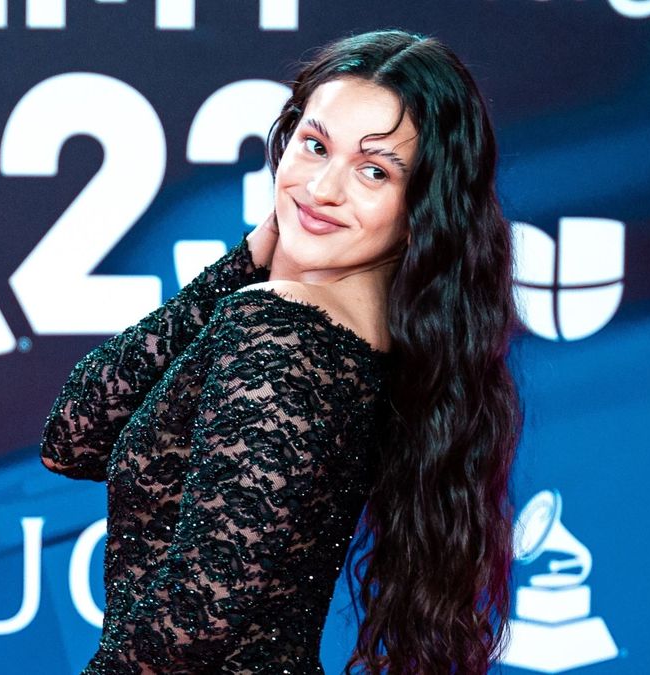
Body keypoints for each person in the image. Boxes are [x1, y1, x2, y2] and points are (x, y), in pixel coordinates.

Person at [40, 28, 522, 675]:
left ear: (419, 207)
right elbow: (75, 435)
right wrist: (255, 252)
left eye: (374, 169)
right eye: (315, 145)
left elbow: (195, 614)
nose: (323, 188)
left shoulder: (283, 327)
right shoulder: (374, 341)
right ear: (286, 139)